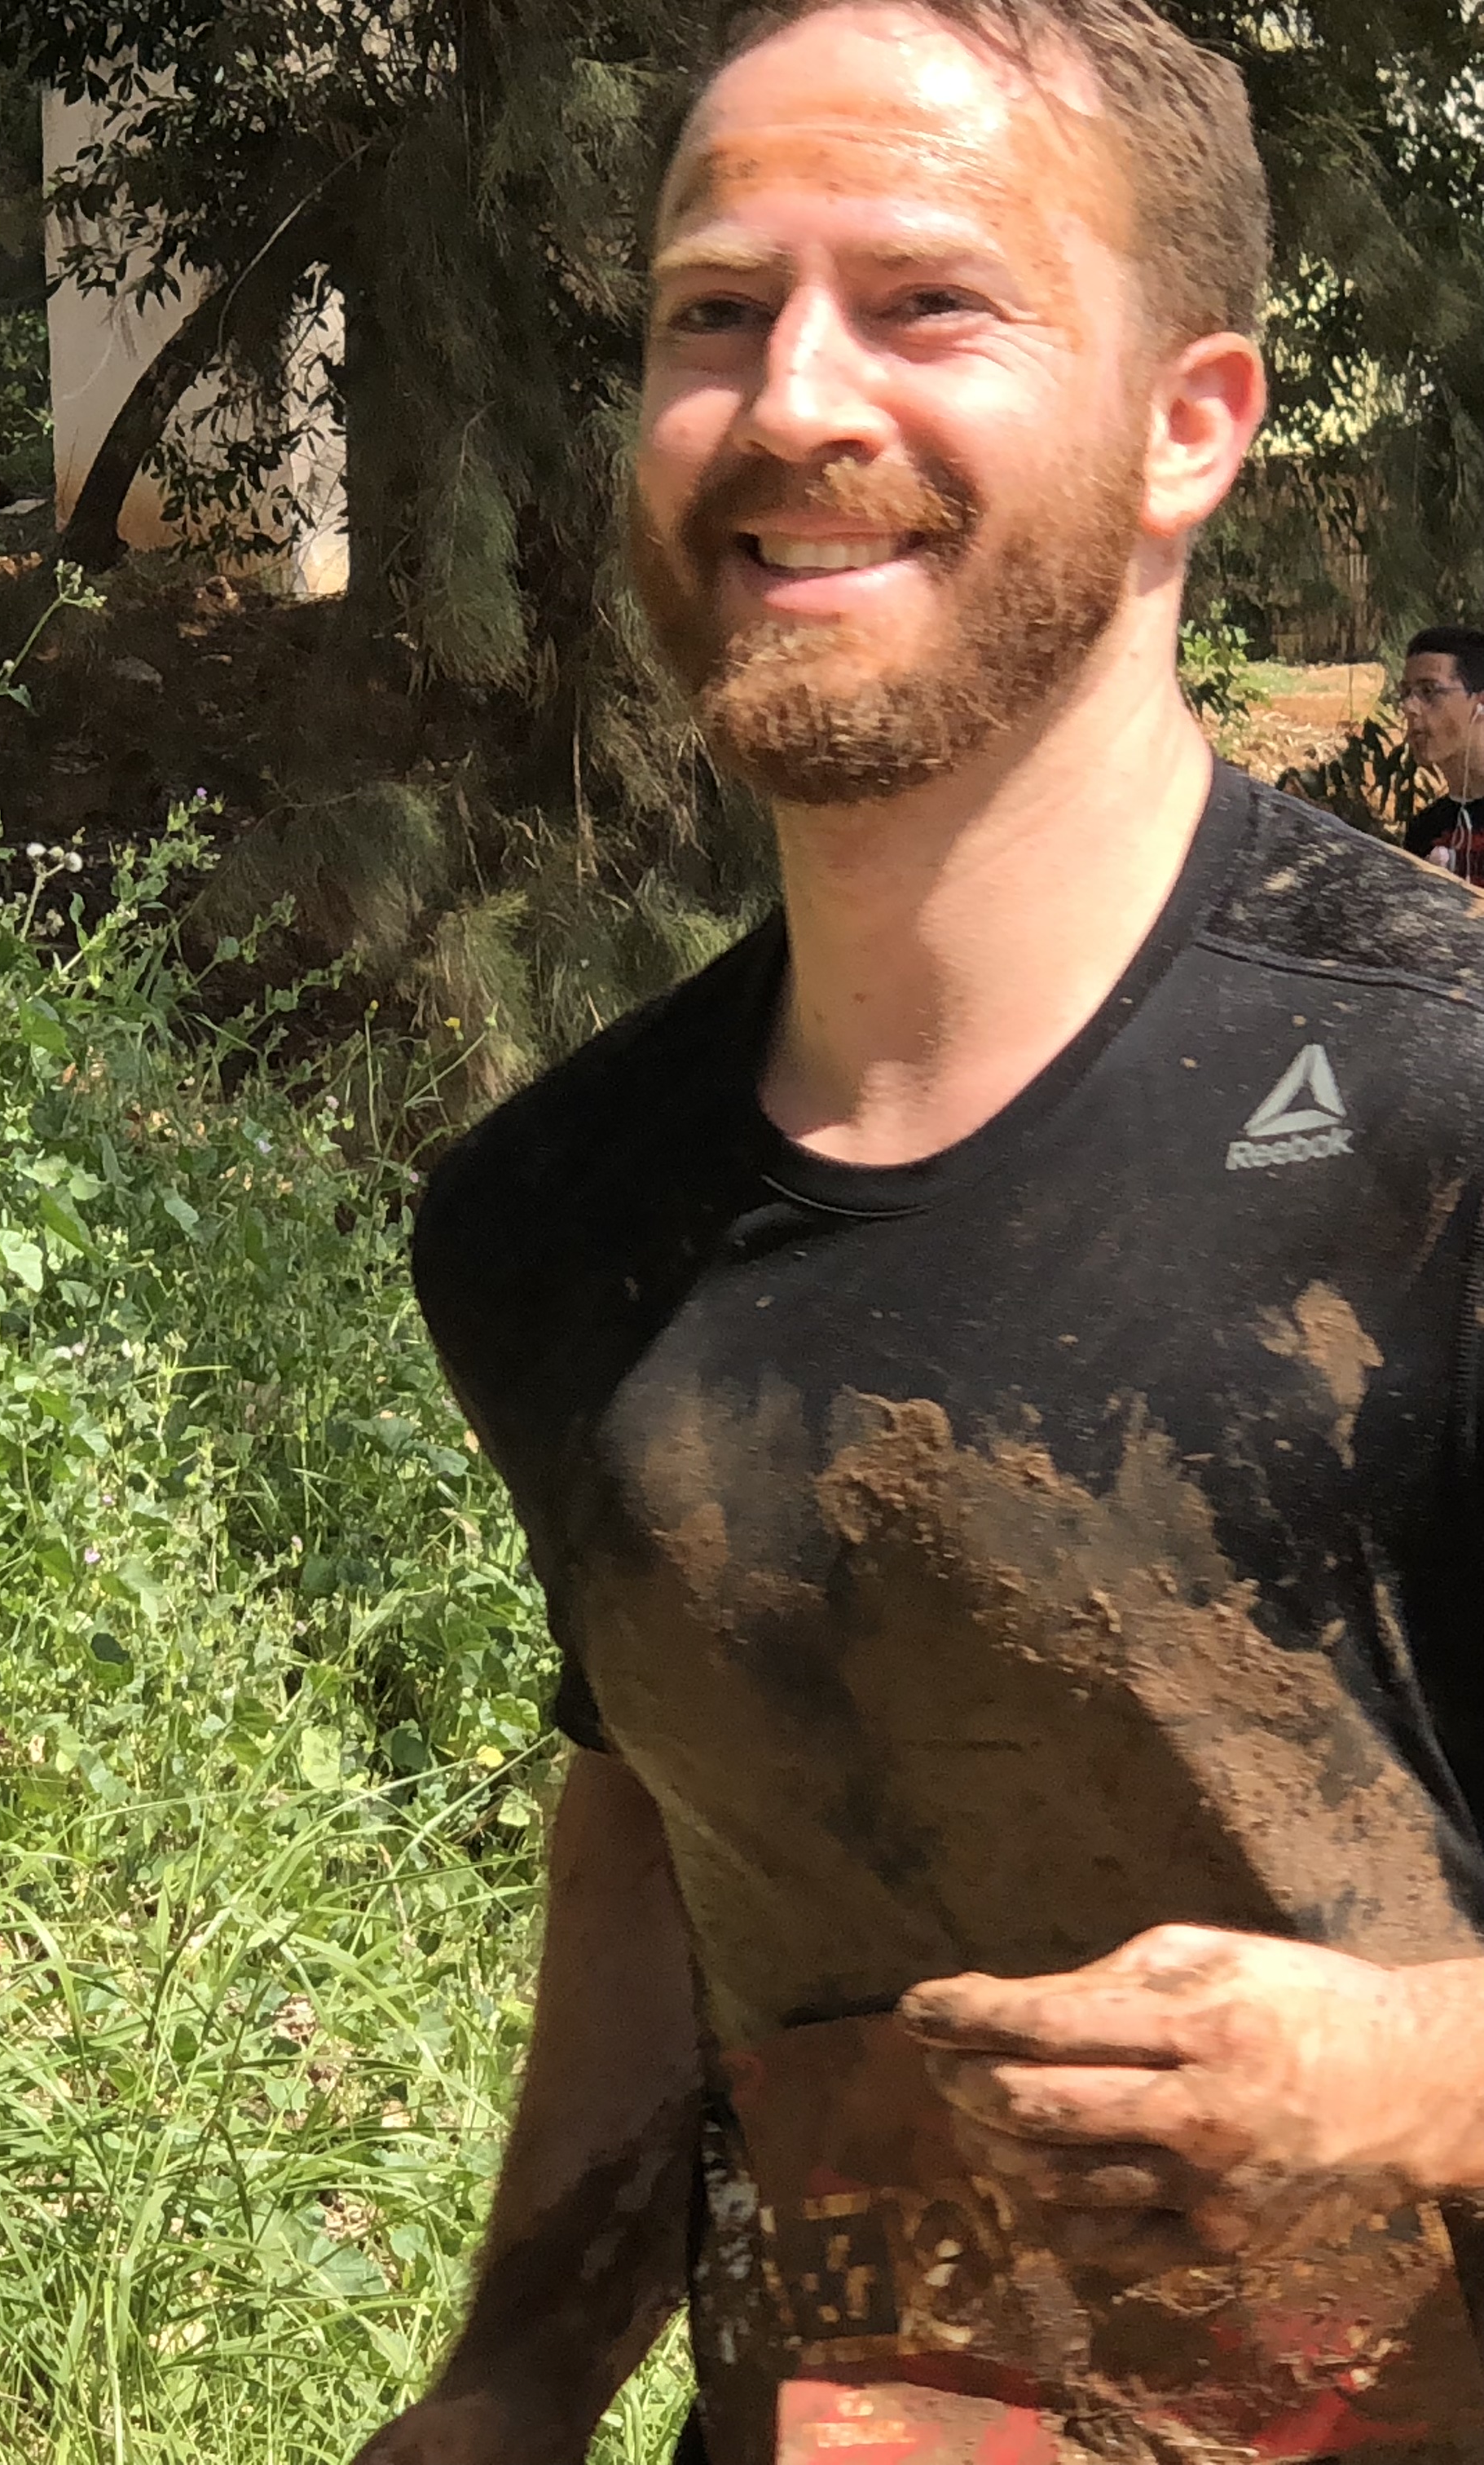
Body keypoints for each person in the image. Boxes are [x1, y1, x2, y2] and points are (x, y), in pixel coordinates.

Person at [366, 4, 1484, 2462]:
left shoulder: (1445, 1107)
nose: (790, 404)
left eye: (928, 302)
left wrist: (1417, 2068)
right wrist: (521, 2371)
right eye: (712, 311)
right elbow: (673, 1808)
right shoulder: (556, 1221)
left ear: (1193, 424)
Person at [1399, 624, 1484, 882]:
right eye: (1405, 693)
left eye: (1429, 691)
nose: (1409, 707)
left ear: (1480, 703)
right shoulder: (1426, 831)